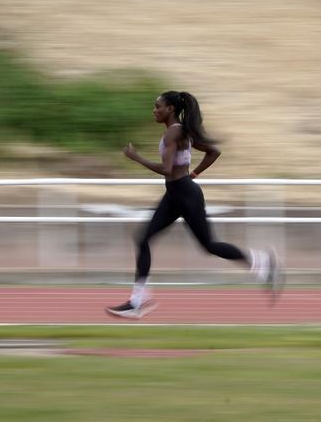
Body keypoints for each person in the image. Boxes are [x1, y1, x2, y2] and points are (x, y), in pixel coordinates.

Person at [106, 90, 282, 319]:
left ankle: (263, 261)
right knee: (143, 237)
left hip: (185, 195)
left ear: (170, 109)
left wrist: (136, 157)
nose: (154, 110)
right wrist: (194, 172)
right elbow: (213, 151)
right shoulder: (182, 131)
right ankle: (138, 300)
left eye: (158, 106)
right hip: (177, 193)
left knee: (210, 245)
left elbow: (167, 169)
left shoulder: (173, 133)